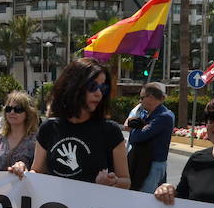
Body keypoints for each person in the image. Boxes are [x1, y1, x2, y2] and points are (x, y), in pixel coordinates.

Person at [10, 58, 130, 189]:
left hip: (95, 207)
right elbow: (38, 172)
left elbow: (126, 181)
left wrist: (112, 182)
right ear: (74, 86)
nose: (99, 93)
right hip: (56, 207)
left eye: (103, 88)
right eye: (93, 86)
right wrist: (22, 171)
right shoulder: (48, 128)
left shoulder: (111, 131)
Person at [124, 82, 175, 192]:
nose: (140, 101)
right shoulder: (147, 113)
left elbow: (136, 138)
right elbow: (129, 124)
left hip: (153, 165)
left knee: (145, 200)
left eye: (142, 98)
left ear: (151, 97)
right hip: (143, 163)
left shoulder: (164, 116)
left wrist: (134, 129)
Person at [0, 90, 40, 171]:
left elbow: (38, 173)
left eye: (17, 109)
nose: (12, 112)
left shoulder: (35, 141)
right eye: (8, 109)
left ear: (27, 113)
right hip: (0, 183)